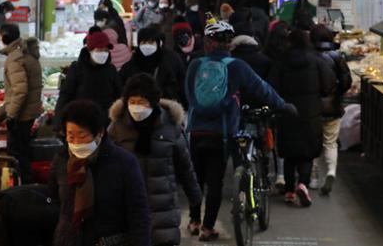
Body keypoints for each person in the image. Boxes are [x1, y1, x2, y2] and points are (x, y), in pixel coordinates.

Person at [185, 20, 295, 241]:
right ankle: (207, 228)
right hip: (222, 132)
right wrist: (283, 105)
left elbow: (188, 94)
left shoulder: (195, 65)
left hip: (195, 130)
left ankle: (194, 221)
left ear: (207, 42)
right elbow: (262, 89)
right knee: (215, 181)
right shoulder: (236, 66)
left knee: (196, 178)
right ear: (229, 43)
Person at [108, 74, 202, 246]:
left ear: (153, 102)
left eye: (142, 102)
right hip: (128, 209)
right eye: (132, 101)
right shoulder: (117, 127)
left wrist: (194, 195)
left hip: (164, 208)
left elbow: (184, 165)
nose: (137, 107)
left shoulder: (170, 126)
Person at [49, 100, 151, 246]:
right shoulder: (61, 160)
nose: (76, 142)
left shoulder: (124, 162)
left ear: (100, 133)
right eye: (71, 136)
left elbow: (138, 213)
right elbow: (55, 200)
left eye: (82, 136)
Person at [268, 28, 336, 207]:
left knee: (289, 153)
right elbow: (329, 84)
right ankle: (303, 184)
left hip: (287, 112)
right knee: (307, 153)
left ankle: (290, 191)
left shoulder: (282, 61)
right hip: (310, 113)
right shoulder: (317, 60)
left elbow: (272, 85)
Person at [310, 24, 353, 195]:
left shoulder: (310, 56)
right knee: (330, 143)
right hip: (333, 108)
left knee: (312, 143)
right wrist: (338, 95)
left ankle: (313, 177)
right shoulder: (337, 57)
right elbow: (347, 81)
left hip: (312, 108)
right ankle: (331, 172)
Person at [0, 23, 43, 183]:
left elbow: (20, 90)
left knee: (17, 154)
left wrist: (11, 115)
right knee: (24, 151)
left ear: (4, 37)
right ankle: (26, 184)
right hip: (29, 112)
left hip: (22, 115)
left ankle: (21, 187)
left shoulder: (15, 58)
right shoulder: (25, 53)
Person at [54, 31, 121, 129]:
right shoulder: (77, 69)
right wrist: (59, 123)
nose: (103, 53)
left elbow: (118, 95)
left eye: (106, 50)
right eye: (100, 49)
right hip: (80, 123)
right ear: (90, 50)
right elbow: (65, 95)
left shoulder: (110, 69)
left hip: (105, 124)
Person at [119, 26, 182, 102]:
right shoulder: (128, 67)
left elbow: (173, 88)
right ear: (139, 44)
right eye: (144, 42)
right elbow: (121, 89)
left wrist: (157, 95)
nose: (147, 45)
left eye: (151, 42)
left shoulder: (165, 65)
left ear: (158, 44)